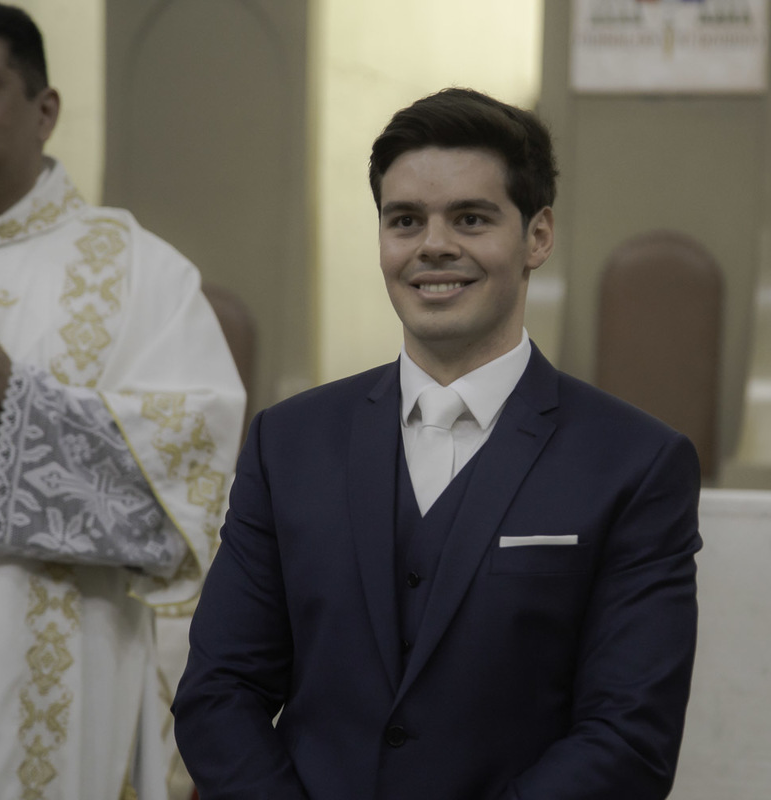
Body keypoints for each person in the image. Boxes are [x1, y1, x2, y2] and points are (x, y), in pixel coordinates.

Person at [174, 87, 702, 799]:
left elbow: (629, 738)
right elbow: (220, 690)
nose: (433, 246)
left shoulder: (635, 463)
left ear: (537, 236)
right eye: (405, 221)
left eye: (471, 218)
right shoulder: (288, 443)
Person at [0, 2, 244, 798]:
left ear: (44, 110)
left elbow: (193, 476)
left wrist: (22, 406)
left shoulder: (140, 271)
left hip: (64, 662)